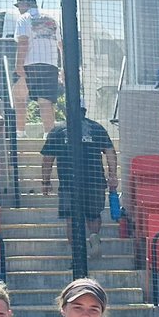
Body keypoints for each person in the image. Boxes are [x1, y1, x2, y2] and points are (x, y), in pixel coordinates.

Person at [40, 109, 119, 259]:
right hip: (95, 180)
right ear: (84, 112)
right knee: (93, 215)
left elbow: (48, 158)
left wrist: (45, 181)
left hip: (69, 182)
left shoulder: (57, 130)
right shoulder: (97, 128)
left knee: (71, 218)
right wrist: (113, 175)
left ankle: (77, 253)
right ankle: (94, 235)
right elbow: (110, 152)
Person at [12, 0, 61, 137]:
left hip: (31, 63)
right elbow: (61, 44)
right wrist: (62, 66)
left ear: (25, 4)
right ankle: (49, 135)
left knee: (19, 97)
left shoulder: (24, 19)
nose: (19, 9)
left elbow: (23, 42)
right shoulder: (52, 19)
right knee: (46, 101)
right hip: (51, 64)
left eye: (19, 5)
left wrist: (19, 64)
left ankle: (20, 133)